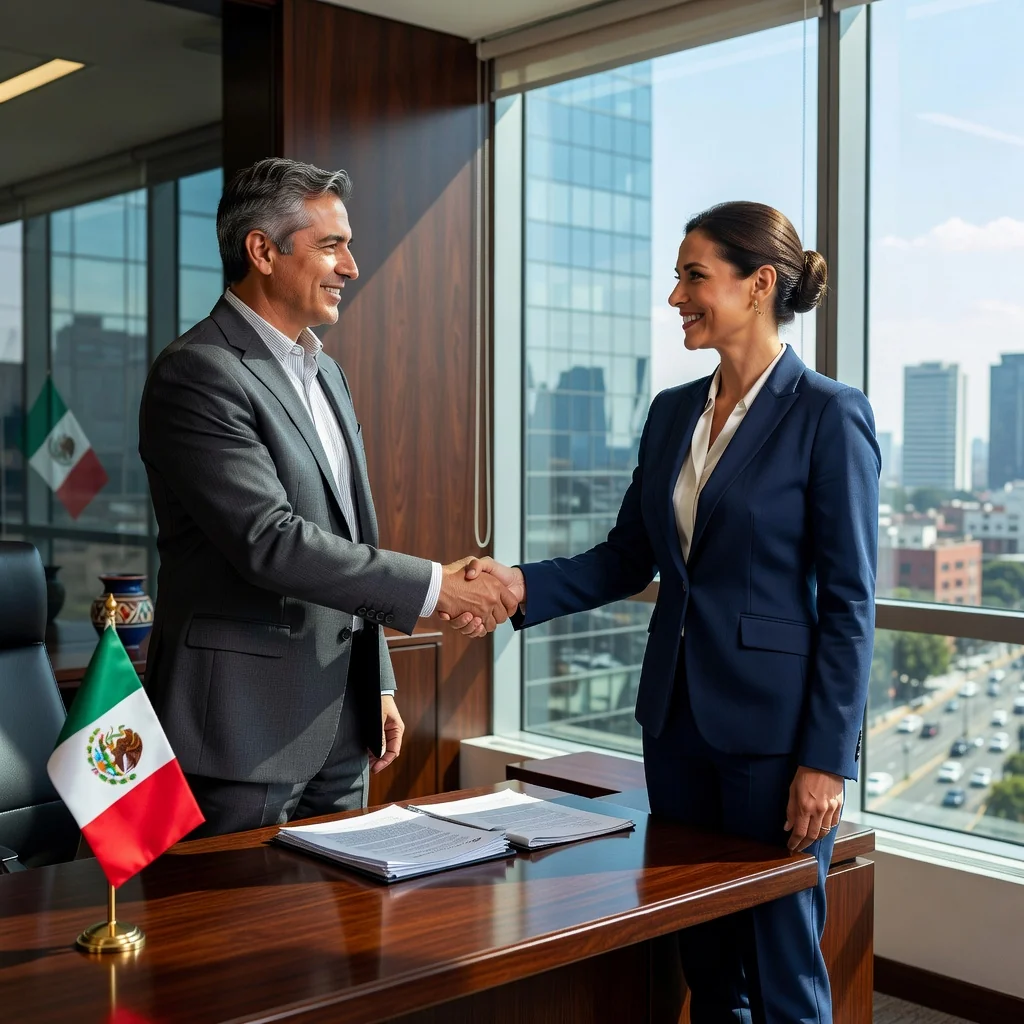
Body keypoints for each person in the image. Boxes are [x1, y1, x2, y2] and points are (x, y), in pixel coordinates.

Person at [450, 202, 880, 1023]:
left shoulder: (828, 413)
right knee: (707, 964)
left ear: (758, 286)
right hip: (675, 725)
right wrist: (517, 585)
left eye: (694, 276)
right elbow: (627, 556)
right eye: (677, 276)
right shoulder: (671, 413)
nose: (675, 295)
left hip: (776, 739)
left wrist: (828, 761)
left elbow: (851, 601)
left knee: (783, 966)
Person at [139, 158, 516, 838]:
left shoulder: (327, 372)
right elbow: (270, 541)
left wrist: (379, 684)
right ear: (261, 251)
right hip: (242, 730)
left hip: (342, 718)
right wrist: (438, 587)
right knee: (238, 937)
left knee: (326, 929)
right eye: (331, 245)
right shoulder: (199, 372)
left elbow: (348, 537)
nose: (352, 266)